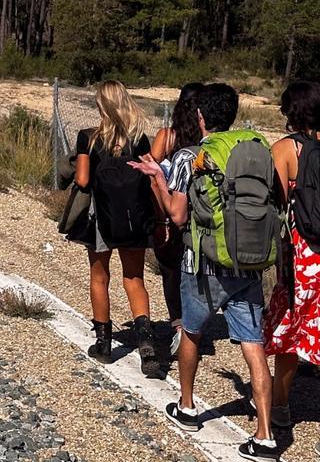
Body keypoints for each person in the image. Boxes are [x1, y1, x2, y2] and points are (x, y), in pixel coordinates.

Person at [131, 83, 279, 460]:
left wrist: (158, 180)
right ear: (232, 114)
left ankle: (188, 407)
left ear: (199, 116)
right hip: (249, 263)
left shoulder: (190, 157)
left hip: (203, 265)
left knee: (192, 332)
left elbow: (177, 215)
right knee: (253, 346)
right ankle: (264, 435)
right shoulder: (255, 148)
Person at [73, 80, 158, 377]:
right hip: (134, 218)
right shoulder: (139, 139)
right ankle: (146, 345)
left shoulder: (88, 138)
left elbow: (83, 181)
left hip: (101, 218)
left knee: (100, 277)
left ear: (101, 105)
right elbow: (152, 174)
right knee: (134, 278)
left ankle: (104, 344)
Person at [263, 81, 320, 433]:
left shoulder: (285, 149)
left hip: (303, 254)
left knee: (293, 325)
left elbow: (277, 203)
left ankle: (281, 406)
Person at [149, 83, 205, 359]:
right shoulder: (210, 141)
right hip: (202, 217)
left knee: (171, 273)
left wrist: (160, 219)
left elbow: (151, 173)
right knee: (195, 272)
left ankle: (178, 325)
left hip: (171, 214)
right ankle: (194, 327)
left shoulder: (167, 137)